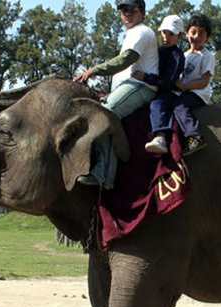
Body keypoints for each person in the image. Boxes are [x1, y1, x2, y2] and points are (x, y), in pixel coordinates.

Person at [73, 0, 158, 188]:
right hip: (129, 86)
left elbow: (125, 60)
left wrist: (93, 70)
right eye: (122, 10)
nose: (126, 13)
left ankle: (103, 175)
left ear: (142, 13)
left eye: (131, 10)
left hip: (141, 87)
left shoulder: (142, 31)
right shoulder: (131, 33)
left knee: (104, 115)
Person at [139, 15, 186, 155]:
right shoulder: (157, 51)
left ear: (179, 35)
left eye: (171, 34)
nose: (166, 36)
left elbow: (168, 82)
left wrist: (146, 78)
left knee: (157, 104)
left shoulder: (177, 56)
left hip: (168, 92)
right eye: (164, 32)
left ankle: (161, 137)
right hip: (151, 87)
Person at [174, 14, 215, 155]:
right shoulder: (183, 55)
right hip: (184, 91)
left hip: (198, 94)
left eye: (201, 33)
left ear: (207, 38)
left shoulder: (207, 56)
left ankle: (195, 135)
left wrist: (185, 86)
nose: (196, 36)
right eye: (193, 32)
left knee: (179, 105)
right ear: (187, 34)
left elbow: (204, 81)